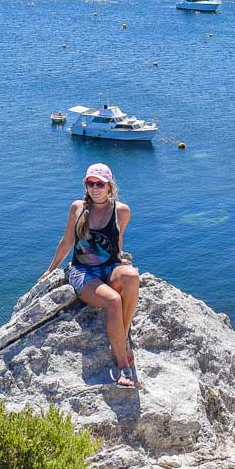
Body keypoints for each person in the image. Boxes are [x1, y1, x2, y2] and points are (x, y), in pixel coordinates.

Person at [45, 163, 140, 388]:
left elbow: (117, 239)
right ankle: (123, 365)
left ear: (109, 186)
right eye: (90, 183)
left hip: (109, 267)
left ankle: (123, 336)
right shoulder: (77, 208)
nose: (95, 188)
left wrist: (119, 258)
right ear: (85, 185)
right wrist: (50, 269)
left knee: (132, 277)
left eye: (100, 184)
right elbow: (67, 240)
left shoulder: (122, 211)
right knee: (113, 301)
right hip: (82, 271)